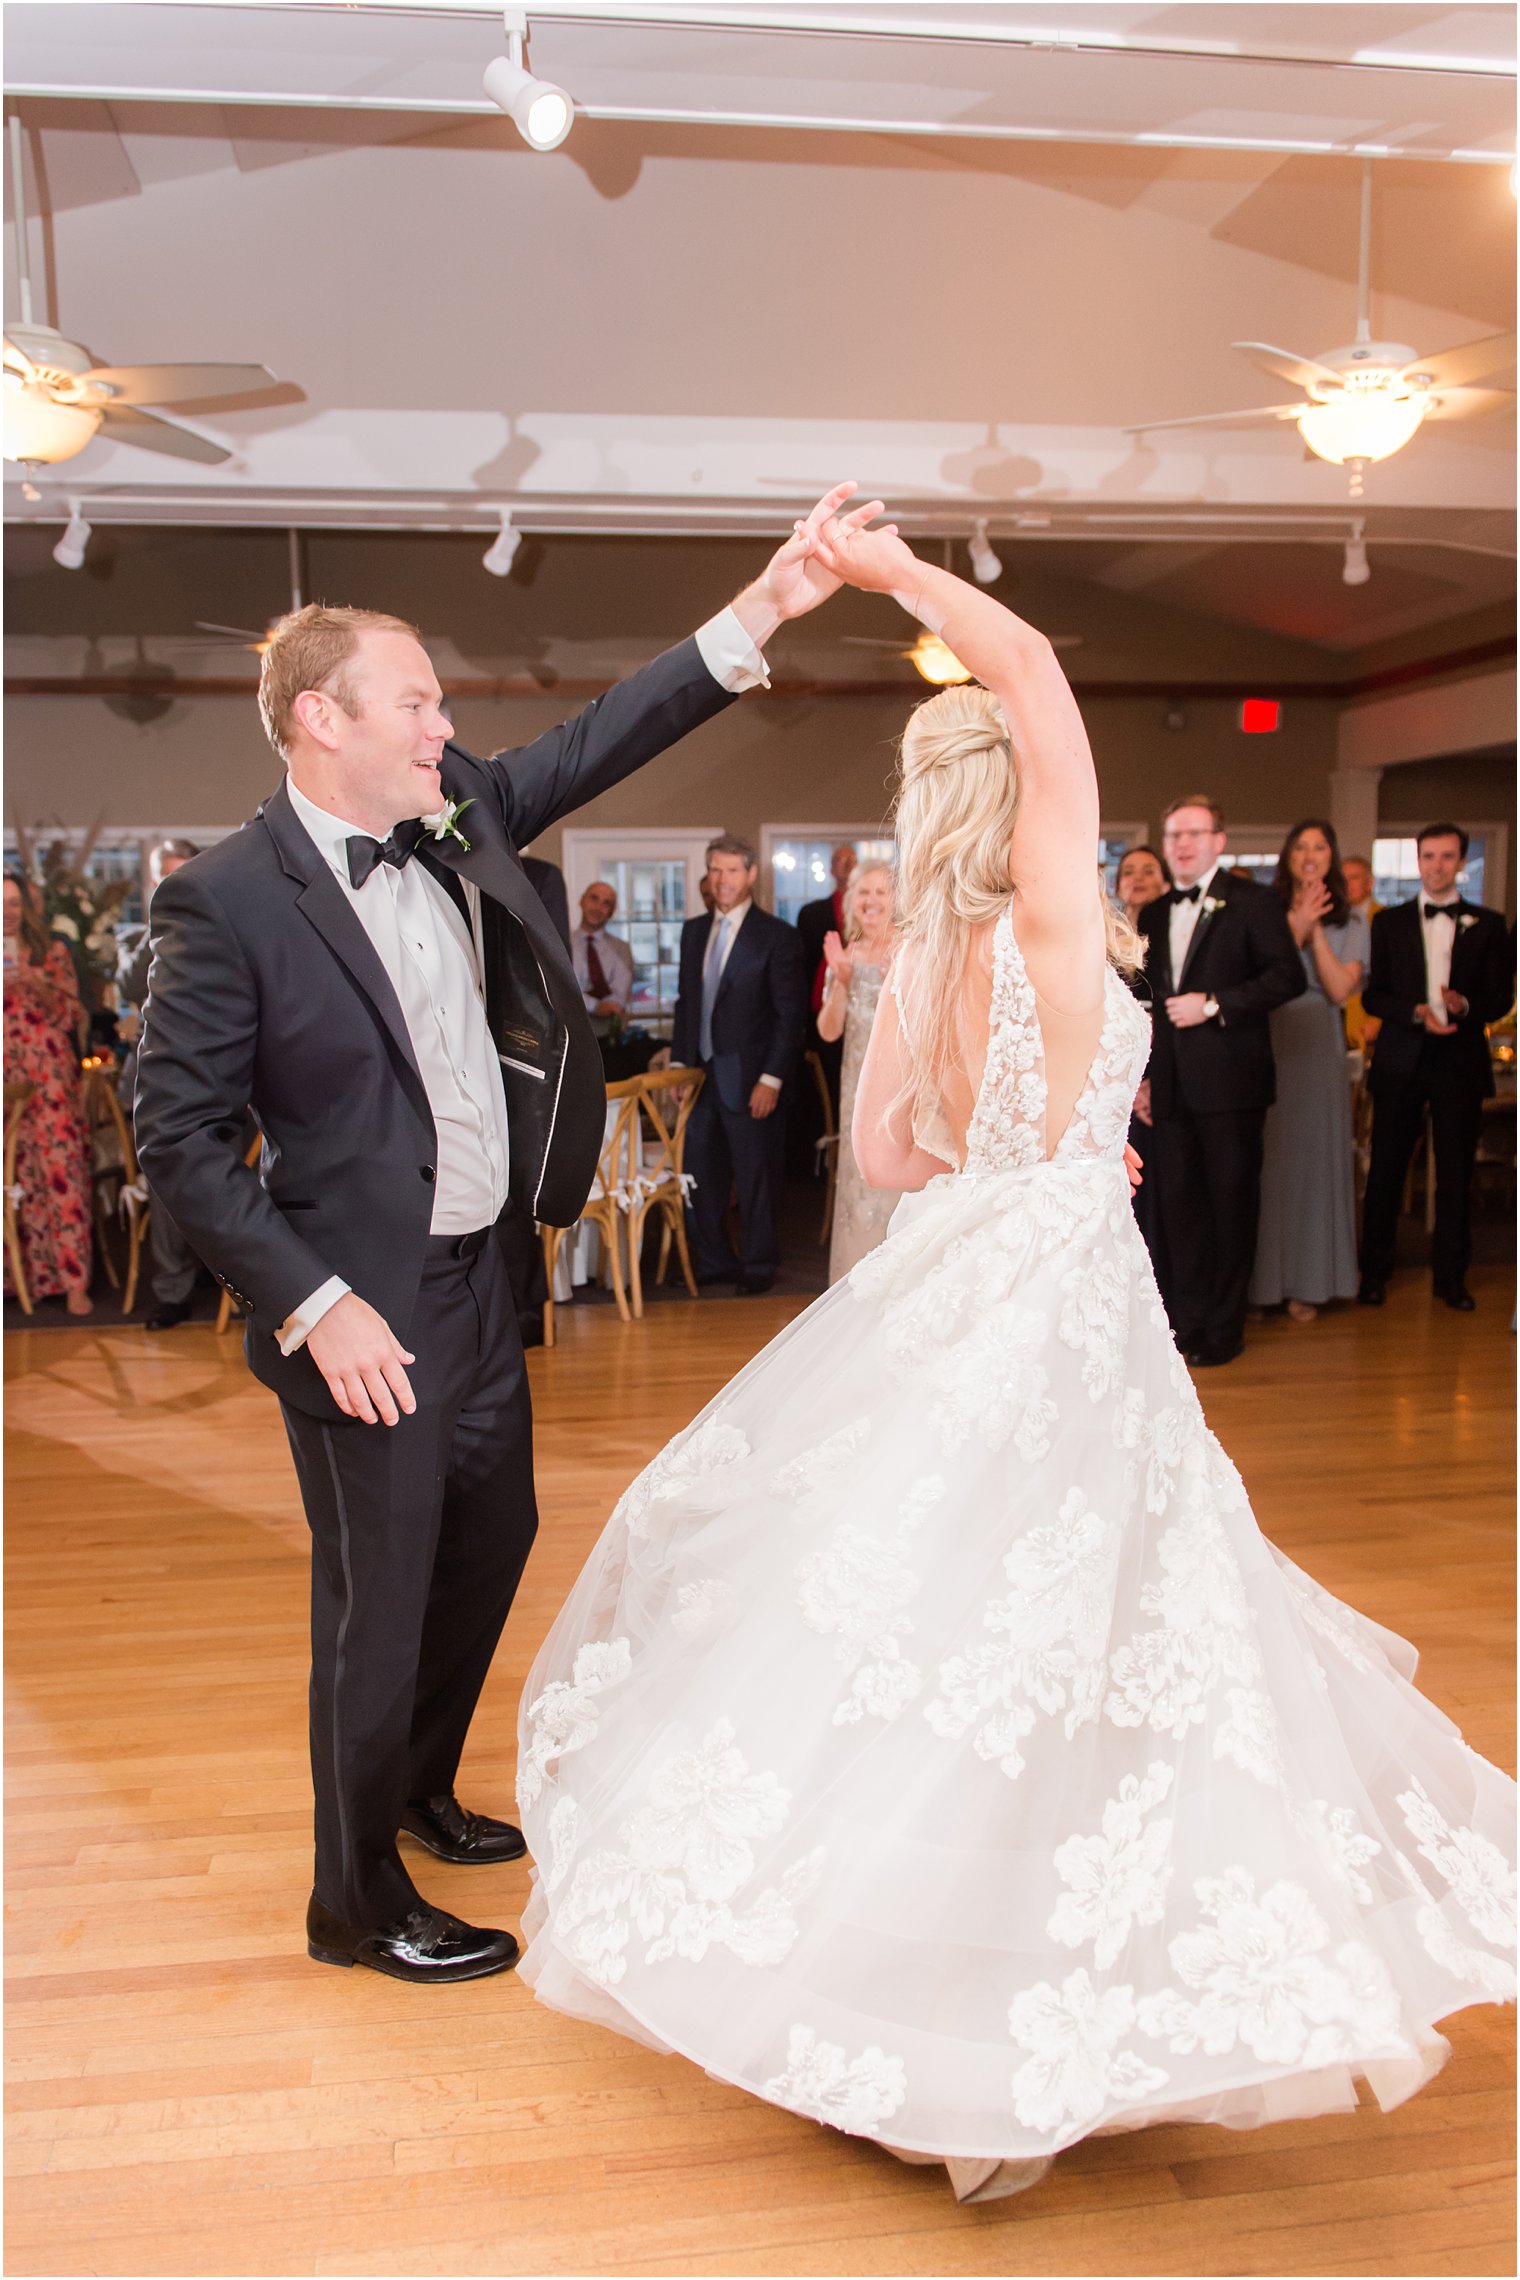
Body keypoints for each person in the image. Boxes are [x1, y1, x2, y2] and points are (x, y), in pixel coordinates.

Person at [516, 511, 1516, 2206]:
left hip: (966, 1274)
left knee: (930, 1600)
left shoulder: (914, 958)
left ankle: (891, 1969)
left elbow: (895, 1164)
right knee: (1109, 1599)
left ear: (925, 801)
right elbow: (1039, 664)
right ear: (1030, 788)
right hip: (1074, 1290)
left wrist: (1027, 1152)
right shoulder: (1059, 905)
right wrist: (900, 573)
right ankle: (1050, 1972)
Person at [133, 481, 879, 1986]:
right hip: (361, 1300)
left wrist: (767, 610)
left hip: (484, 1277)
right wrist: (311, 1304)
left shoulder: (457, 813)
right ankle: (350, 1901)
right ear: (317, 720)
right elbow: (180, 1143)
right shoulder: (225, 902)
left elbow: (609, 733)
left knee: (494, 1538)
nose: (441, 724)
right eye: (414, 701)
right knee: (379, 1586)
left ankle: (411, 1786)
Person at [1133, 797, 1305, 1366]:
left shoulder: (1253, 902)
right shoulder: (1154, 913)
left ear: (1218, 840)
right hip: (1173, 1088)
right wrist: (1147, 1080)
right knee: (1181, 1208)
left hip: (1232, 1087)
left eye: (1193, 833)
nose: (1182, 844)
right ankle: (1185, 1322)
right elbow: (1150, 1004)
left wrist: (1214, 1004)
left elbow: (1288, 976)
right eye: (1173, 834)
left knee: (1230, 1206)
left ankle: (1225, 1330)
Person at [1358, 823, 1515, 1312]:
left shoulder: (1490, 925)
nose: (1437, 865)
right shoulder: (1388, 923)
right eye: (1428, 856)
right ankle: (1375, 1274)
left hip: (1459, 1063)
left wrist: (1465, 1005)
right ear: (1419, 860)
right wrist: (1414, 1011)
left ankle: (1451, 1278)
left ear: (1461, 862)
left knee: (1454, 1174)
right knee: (1386, 1170)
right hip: (1401, 1060)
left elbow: (1499, 998)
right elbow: (1373, 994)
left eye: (1447, 857)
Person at [670, 834, 809, 1297]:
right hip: (699, 1076)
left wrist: (772, 1077)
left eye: (731, 870)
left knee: (755, 1178)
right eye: (715, 869)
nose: (722, 879)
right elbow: (687, 1003)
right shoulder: (693, 932)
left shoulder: (778, 936)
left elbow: (791, 1016)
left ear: (751, 875)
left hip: (752, 1079)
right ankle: (713, 1261)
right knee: (701, 1173)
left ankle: (758, 1262)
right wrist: (678, 1063)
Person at [1249, 820, 1368, 1323]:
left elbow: (1340, 989)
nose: (1310, 854)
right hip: (1270, 1035)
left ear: (1332, 856)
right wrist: (1295, 921)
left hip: (1319, 1043)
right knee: (1267, 1163)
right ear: (1288, 856)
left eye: (1320, 846)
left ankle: (1309, 1282)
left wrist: (1315, 930)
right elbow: (1264, 975)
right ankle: (1261, 1284)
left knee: (1314, 1162)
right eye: (1301, 846)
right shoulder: (1263, 910)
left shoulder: (1352, 923)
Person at [118, 839, 205, 1329]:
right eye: (170, 876)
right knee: (168, 1187)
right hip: (161, 1085)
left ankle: (241, 1284)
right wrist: (164, 917)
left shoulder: (225, 922)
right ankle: (172, 1291)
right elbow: (130, 987)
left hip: (229, 1086)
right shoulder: (144, 937)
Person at [3, 871, 93, 1316]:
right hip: (4, 1077)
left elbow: (72, 1013)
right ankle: (19, 1279)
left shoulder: (51, 952)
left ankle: (73, 1280)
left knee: (60, 1174)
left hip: (47, 1077)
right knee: (12, 1177)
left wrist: (37, 983)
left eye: (15, 901)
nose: (7, 910)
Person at [816, 860, 901, 1283]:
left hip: (904, 1089)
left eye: (880, 893)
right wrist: (843, 979)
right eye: (863, 894)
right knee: (859, 1174)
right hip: (858, 1089)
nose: (871, 901)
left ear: (897, 900)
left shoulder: (912, 951)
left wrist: (897, 985)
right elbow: (828, 1032)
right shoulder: (847, 955)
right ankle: (855, 1283)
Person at [1112, 845, 1171, 1272]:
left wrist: (1153, 1080)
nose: (1138, 878)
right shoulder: (1100, 938)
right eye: (1129, 871)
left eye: (1149, 870)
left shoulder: (1173, 939)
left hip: (1165, 1071)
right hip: (1115, 1081)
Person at [570, 880, 634, 1037]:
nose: (598, 907)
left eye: (606, 903)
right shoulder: (562, 943)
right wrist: (595, 1007)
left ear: (611, 911)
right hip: (571, 1033)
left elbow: (618, 998)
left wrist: (601, 1007)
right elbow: (566, 992)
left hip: (609, 1036)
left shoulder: (621, 949)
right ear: (582, 900)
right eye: (594, 898)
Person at [1341, 854, 1381, 1056]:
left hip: (1369, 1021)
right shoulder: (1328, 921)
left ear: (1370, 883)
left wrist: (1377, 1019)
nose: (1347, 885)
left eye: (1354, 878)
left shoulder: (1386, 921)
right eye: (1342, 879)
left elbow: (1396, 978)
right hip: (1334, 1021)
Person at [1114, 843, 1171, 924]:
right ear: (1118, 888)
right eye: (1128, 872)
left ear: (1166, 886)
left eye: (1148, 872)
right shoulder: (1104, 933)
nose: (1138, 878)